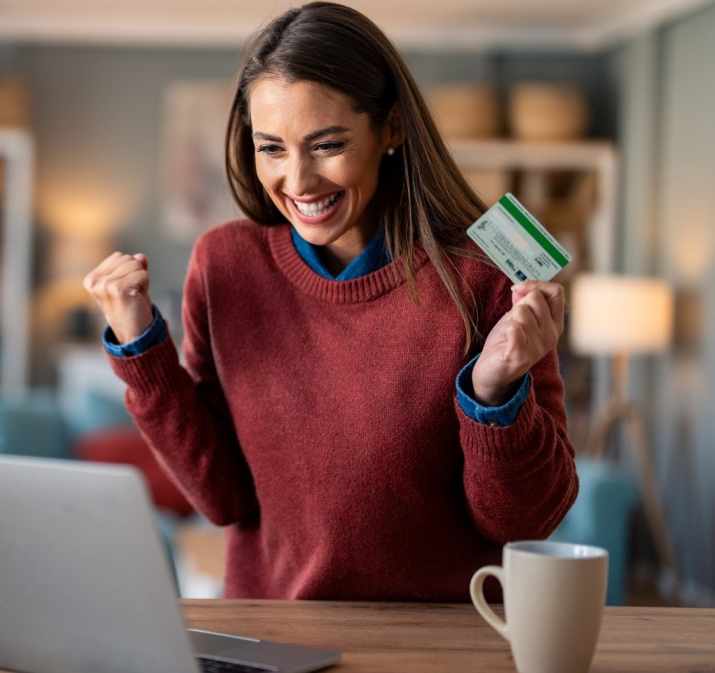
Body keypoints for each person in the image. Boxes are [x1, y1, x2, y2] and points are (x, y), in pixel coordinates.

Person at [83, 1, 577, 602]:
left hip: (439, 647)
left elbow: (525, 522)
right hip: (274, 639)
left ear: (390, 128)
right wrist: (142, 349)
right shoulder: (224, 266)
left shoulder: (486, 279)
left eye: (326, 145)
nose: (298, 181)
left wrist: (494, 392)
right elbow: (222, 498)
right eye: (272, 148)